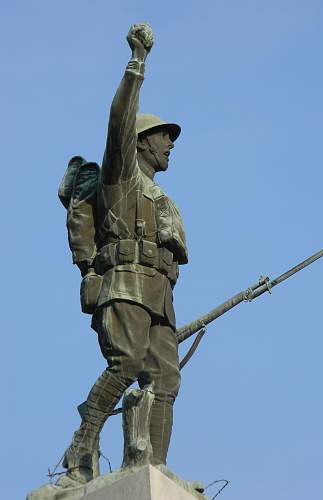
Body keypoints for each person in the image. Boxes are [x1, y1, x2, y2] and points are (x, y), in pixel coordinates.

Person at [59, 23, 188, 487]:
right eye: (163, 136)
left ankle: (150, 462)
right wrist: (137, 63)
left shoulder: (162, 198)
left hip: (160, 293)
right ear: (141, 142)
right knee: (127, 364)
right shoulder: (121, 181)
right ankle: (82, 443)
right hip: (125, 284)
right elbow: (119, 122)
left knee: (166, 381)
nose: (171, 143)